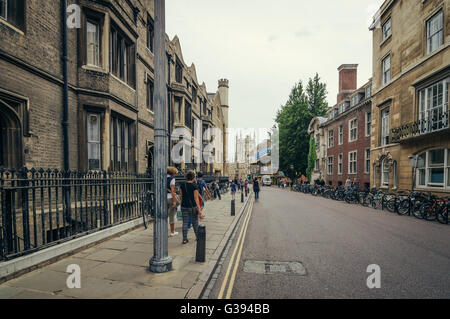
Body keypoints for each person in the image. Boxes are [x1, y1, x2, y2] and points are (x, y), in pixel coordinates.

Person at [179, 171, 203, 245]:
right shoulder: (194, 186)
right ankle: (197, 237)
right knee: (195, 222)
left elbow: (181, 196)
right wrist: (199, 210)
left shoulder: (182, 185)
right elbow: (196, 199)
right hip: (193, 207)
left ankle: (185, 239)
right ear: (193, 177)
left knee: (185, 223)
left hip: (184, 206)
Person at [167, 167, 179, 237]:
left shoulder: (163, 178)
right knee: (171, 215)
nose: (175, 175)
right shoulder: (172, 179)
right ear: (173, 173)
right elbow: (172, 191)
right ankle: (172, 231)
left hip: (163, 198)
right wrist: (174, 201)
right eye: (175, 173)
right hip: (170, 198)